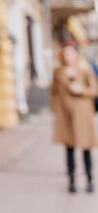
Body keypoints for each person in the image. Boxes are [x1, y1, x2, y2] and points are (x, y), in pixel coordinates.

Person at [50, 43, 98, 193]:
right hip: (66, 114)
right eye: (65, 54)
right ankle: (71, 180)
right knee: (69, 148)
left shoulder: (85, 69)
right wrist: (56, 109)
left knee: (86, 147)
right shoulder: (57, 72)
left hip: (83, 112)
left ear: (76, 55)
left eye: (71, 54)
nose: (68, 57)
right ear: (62, 56)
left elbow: (94, 90)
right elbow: (53, 93)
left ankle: (89, 179)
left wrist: (81, 90)